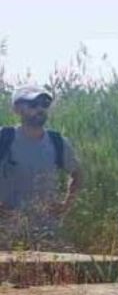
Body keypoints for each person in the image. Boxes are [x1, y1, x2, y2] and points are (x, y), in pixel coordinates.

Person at [0, 85, 83, 220]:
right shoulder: (4, 138)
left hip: (47, 232)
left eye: (44, 104)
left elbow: (77, 174)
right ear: (17, 109)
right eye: (33, 104)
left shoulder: (58, 142)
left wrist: (66, 205)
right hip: (5, 233)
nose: (40, 109)